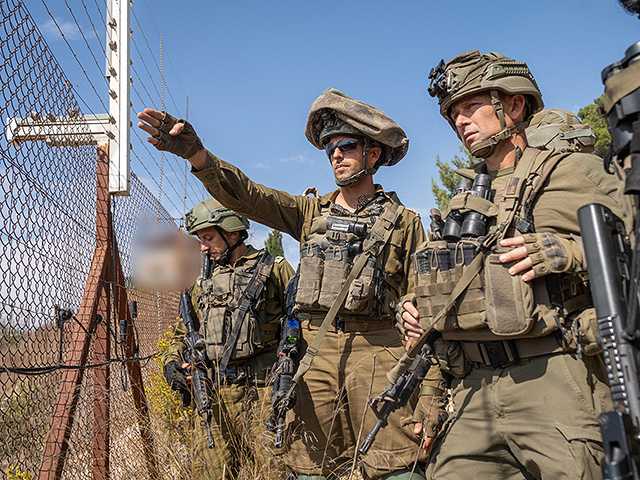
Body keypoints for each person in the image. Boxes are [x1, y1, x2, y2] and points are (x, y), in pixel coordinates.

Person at [139, 88, 444, 479]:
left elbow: (427, 312)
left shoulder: (404, 222)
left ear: (374, 153)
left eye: (346, 145)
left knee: (395, 466)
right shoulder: (308, 213)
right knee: (309, 468)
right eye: (329, 146)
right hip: (314, 356)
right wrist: (198, 156)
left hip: (379, 355)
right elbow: (250, 197)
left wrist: (430, 397)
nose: (335, 154)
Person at [400, 50, 622, 479]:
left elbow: (627, 243)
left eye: (470, 106)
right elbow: (461, 279)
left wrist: (566, 252)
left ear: (514, 105)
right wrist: (417, 306)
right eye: (453, 114)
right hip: (473, 390)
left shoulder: (573, 170)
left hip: (556, 377)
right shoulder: (465, 200)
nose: (460, 121)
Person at [162, 198, 294, 479]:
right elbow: (182, 331)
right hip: (215, 395)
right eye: (200, 239)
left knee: (274, 471)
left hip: (263, 396)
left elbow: (302, 324)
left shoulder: (275, 269)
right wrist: (171, 362)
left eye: (209, 238)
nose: (203, 247)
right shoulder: (204, 283)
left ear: (232, 232)